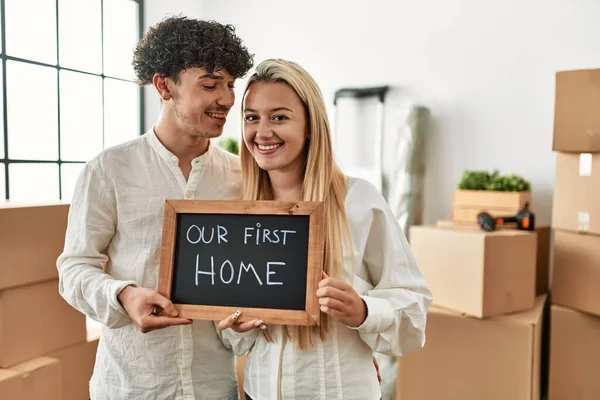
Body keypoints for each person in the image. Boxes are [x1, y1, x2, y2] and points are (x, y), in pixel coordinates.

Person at [56, 16, 257, 399]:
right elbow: (73, 268)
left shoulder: (241, 177)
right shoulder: (109, 169)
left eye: (231, 85)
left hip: (214, 387)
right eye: (210, 85)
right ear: (164, 86)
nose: (228, 99)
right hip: (131, 386)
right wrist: (123, 295)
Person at [218, 59, 433, 400]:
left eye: (280, 116)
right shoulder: (238, 212)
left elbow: (414, 309)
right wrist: (237, 325)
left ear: (309, 125)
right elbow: (236, 337)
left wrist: (363, 310)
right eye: (251, 117)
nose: (262, 132)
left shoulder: (358, 200)